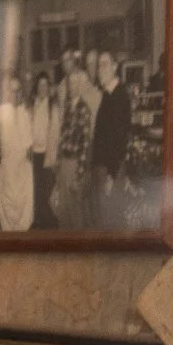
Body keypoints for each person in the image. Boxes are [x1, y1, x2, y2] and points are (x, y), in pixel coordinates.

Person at [0, 68, 36, 235]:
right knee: (7, 213)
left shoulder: (25, 112)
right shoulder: (3, 110)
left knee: (24, 215)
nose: (15, 95)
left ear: (20, 92)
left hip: (22, 170)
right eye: (11, 91)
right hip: (7, 168)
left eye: (17, 91)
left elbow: (29, 147)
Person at [53, 47, 98, 228]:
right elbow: (61, 135)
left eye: (69, 60)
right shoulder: (65, 101)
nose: (72, 86)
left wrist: (79, 174)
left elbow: (86, 141)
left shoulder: (83, 106)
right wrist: (57, 162)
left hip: (76, 161)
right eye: (70, 83)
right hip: (64, 160)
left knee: (76, 210)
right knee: (63, 209)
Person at [88, 52, 132, 229]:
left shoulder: (120, 96)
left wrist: (111, 176)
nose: (100, 70)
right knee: (104, 221)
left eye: (105, 64)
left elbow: (120, 139)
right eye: (99, 65)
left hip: (110, 169)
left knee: (111, 223)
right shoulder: (107, 95)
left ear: (115, 67)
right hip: (103, 168)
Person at [27, 68, 56, 227]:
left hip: (48, 155)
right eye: (40, 85)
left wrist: (52, 157)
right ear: (36, 87)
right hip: (34, 155)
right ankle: (39, 225)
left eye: (45, 85)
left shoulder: (53, 106)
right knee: (36, 192)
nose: (43, 88)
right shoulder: (32, 105)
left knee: (47, 194)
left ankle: (50, 226)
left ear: (49, 87)